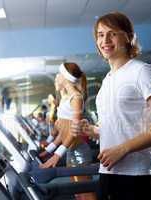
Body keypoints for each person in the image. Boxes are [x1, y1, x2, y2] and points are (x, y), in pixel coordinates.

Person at [71, 12, 151, 200]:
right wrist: (93, 130)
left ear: (129, 37)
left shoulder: (141, 71)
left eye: (112, 33)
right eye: (100, 34)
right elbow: (122, 127)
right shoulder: (107, 80)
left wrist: (122, 149)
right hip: (108, 173)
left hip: (137, 177)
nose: (105, 39)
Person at [39, 62, 97, 200]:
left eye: (58, 75)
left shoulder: (76, 98)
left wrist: (57, 155)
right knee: (78, 193)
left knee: (85, 193)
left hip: (78, 152)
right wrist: (49, 150)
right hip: (71, 150)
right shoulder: (66, 99)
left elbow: (74, 131)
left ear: (65, 77)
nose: (56, 78)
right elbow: (63, 131)